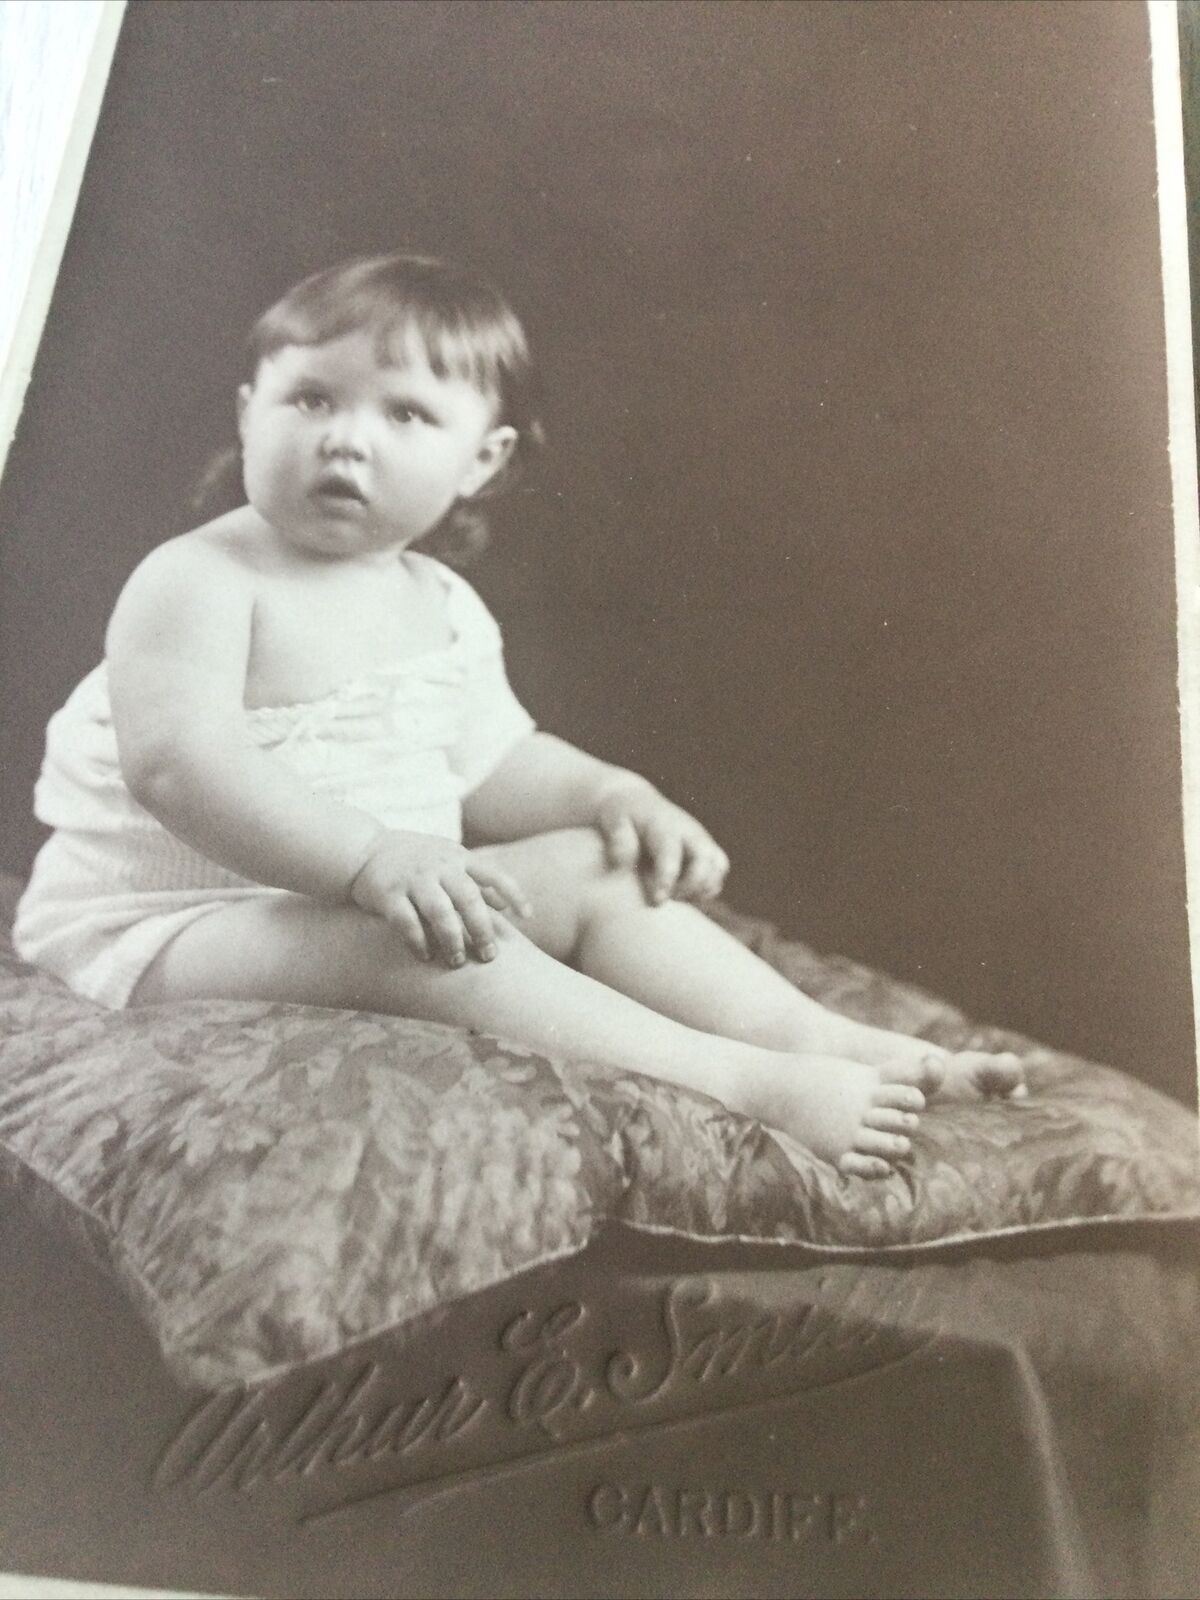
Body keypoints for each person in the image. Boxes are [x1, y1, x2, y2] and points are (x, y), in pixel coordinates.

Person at [13, 253, 1023, 1178]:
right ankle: (738, 1082)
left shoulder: (440, 605)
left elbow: (494, 762)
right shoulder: (198, 579)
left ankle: (810, 1037)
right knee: (429, 942)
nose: (346, 438)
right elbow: (182, 767)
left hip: (365, 891)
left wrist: (614, 792)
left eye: (405, 415)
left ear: (482, 461)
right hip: (171, 927)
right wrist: (374, 859)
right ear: (247, 413)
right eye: (311, 396)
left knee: (597, 860)